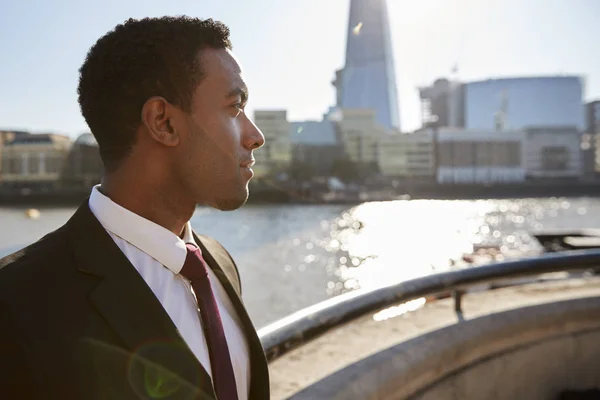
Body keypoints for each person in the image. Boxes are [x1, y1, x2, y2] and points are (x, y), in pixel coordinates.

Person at [0, 16, 268, 400]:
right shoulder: (15, 303)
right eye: (234, 107)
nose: (255, 136)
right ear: (164, 122)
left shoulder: (220, 263)